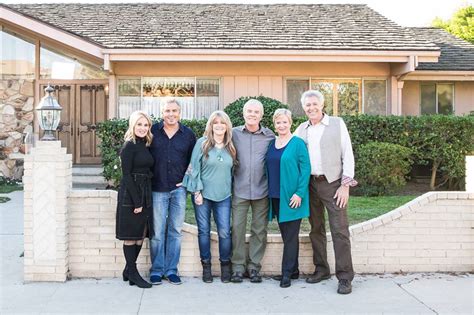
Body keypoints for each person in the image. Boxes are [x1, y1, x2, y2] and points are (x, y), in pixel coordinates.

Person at [294, 90, 358, 295]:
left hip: (333, 184)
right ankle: (321, 269)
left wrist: (345, 185)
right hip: (310, 185)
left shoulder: (337, 124)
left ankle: (345, 277)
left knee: (339, 230)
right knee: (316, 229)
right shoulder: (301, 129)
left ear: (322, 105)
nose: (311, 108)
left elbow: (347, 153)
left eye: (315, 104)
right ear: (304, 108)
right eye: (308, 105)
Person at [183, 111, 236, 283]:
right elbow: (193, 168)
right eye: (215, 122)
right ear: (211, 126)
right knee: (204, 232)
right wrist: (196, 192)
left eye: (222, 122)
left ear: (227, 126)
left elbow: (233, 171)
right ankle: (206, 267)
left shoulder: (231, 146)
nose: (219, 125)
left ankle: (225, 266)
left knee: (224, 232)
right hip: (203, 196)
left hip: (224, 196)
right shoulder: (202, 143)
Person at [149, 97, 197, 285]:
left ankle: (171, 270)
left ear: (179, 113)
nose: (171, 114)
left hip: (178, 189)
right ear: (162, 113)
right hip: (157, 188)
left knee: (175, 230)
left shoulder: (188, 134)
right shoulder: (152, 131)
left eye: (174, 111)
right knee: (157, 232)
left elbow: (193, 162)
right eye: (167, 111)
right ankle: (156, 269)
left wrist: (186, 180)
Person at [230, 99, 275, 283]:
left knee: (259, 230)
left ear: (261, 115)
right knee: (237, 229)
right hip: (239, 189)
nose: (252, 114)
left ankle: (254, 267)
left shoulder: (270, 136)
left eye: (256, 112)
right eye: (249, 111)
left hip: (261, 189)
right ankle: (238, 267)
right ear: (243, 113)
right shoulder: (233, 134)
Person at [265, 109, 311, 288]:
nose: (281, 125)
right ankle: (294, 270)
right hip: (275, 196)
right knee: (286, 235)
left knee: (291, 236)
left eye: (284, 122)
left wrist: (299, 193)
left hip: (292, 198)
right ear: (274, 125)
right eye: (278, 123)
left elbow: (305, 169)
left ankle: (286, 273)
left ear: (290, 122)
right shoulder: (272, 143)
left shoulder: (298, 143)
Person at [115, 111, 154, 289]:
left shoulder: (144, 144)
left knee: (139, 235)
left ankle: (128, 271)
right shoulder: (129, 146)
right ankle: (133, 272)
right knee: (130, 237)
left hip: (144, 191)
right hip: (131, 195)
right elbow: (127, 176)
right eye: (139, 124)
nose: (142, 128)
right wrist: (137, 201)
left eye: (146, 125)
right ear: (132, 125)